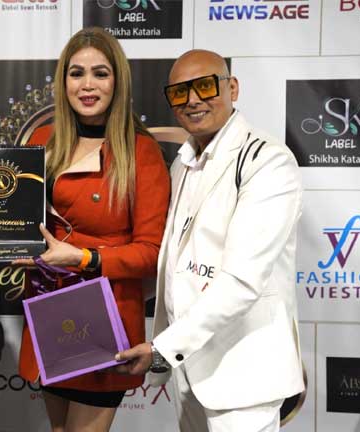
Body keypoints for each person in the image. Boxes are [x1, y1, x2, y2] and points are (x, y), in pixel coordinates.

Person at [116, 49, 305, 432]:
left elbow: (242, 281)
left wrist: (163, 349)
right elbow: (174, 264)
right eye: (179, 92)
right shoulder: (182, 162)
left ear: (232, 88)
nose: (192, 100)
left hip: (244, 373)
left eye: (204, 86)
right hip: (190, 369)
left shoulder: (267, 160)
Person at [12, 27, 171, 431]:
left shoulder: (141, 151)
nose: (87, 85)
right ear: (63, 81)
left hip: (105, 313)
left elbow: (152, 253)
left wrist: (85, 257)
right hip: (49, 306)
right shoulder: (43, 140)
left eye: (100, 73)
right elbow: (20, 222)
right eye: (76, 73)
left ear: (117, 81)